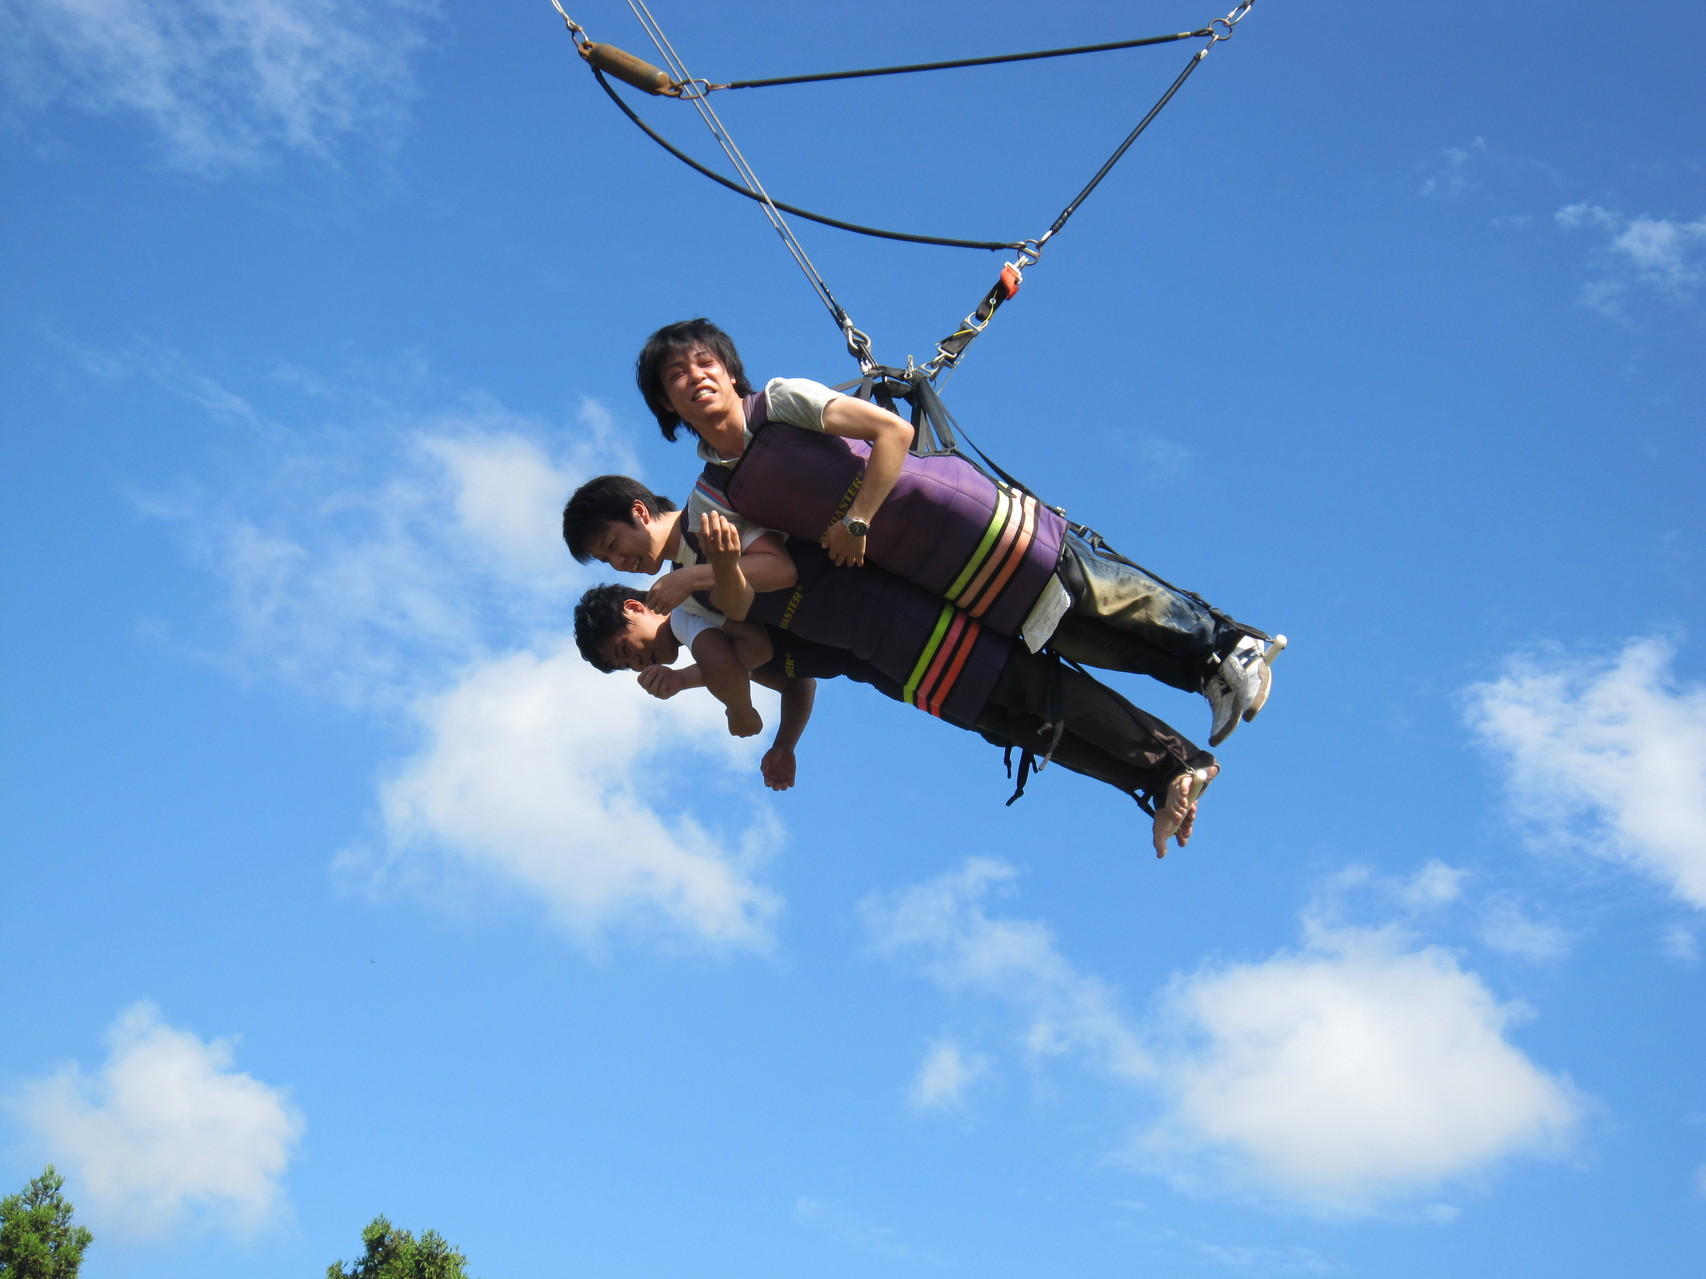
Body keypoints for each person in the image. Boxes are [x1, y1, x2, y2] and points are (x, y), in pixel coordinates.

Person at [632, 318, 1284, 747]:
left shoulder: (780, 401)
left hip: (953, 512)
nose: (695, 379)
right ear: (667, 404)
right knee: (1080, 634)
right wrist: (710, 572)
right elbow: (756, 584)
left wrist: (856, 519)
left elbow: (893, 432)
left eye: (702, 363)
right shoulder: (719, 491)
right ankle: (1211, 673)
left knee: (1095, 591)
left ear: (728, 366)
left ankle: (1232, 646)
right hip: (925, 564)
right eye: (677, 378)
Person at [569, 506, 1219, 856]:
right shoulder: (692, 607)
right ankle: (1161, 778)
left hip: (913, 630)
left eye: (626, 653)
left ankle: (1180, 753)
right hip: (900, 669)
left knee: (1044, 692)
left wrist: (693, 686)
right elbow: (790, 674)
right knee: (1034, 726)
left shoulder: (690, 591)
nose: (637, 667)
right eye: (628, 667)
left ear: (635, 608)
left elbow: (739, 651)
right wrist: (788, 742)